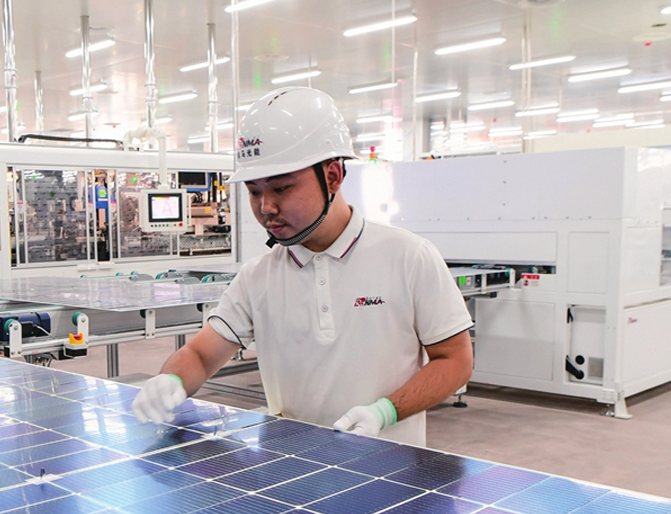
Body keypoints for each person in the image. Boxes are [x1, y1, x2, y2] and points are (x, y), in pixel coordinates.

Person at [131, 86, 473, 446]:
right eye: (254, 191)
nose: (265, 207)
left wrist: (385, 412)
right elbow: (200, 355)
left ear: (333, 177)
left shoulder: (408, 256)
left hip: (389, 475)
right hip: (290, 475)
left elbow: (455, 361)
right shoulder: (257, 277)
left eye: (281, 189)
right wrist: (171, 380)